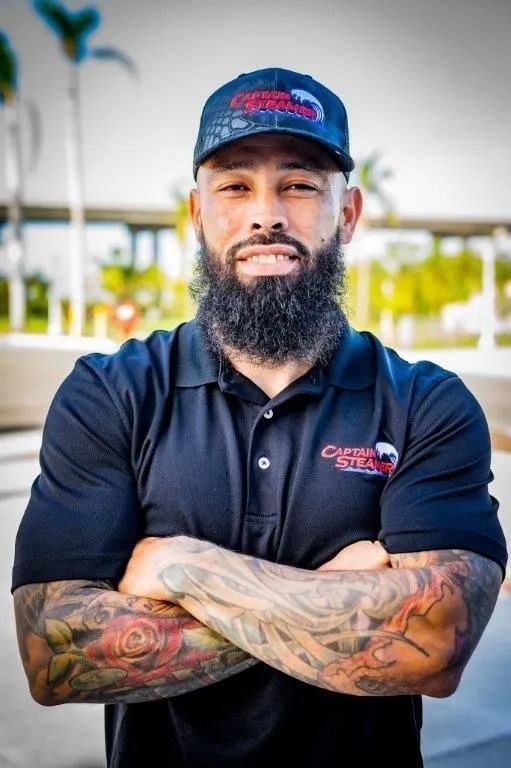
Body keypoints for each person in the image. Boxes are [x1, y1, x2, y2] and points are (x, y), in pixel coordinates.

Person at [12, 67, 508, 768]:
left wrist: (185, 566)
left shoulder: (426, 403)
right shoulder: (112, 392)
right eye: (235, 186)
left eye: (299, 185)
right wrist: (340, 598)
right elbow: (52, 654)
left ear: (347, 213)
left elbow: (433, 641)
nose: (266, 214)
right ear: (197, 213)